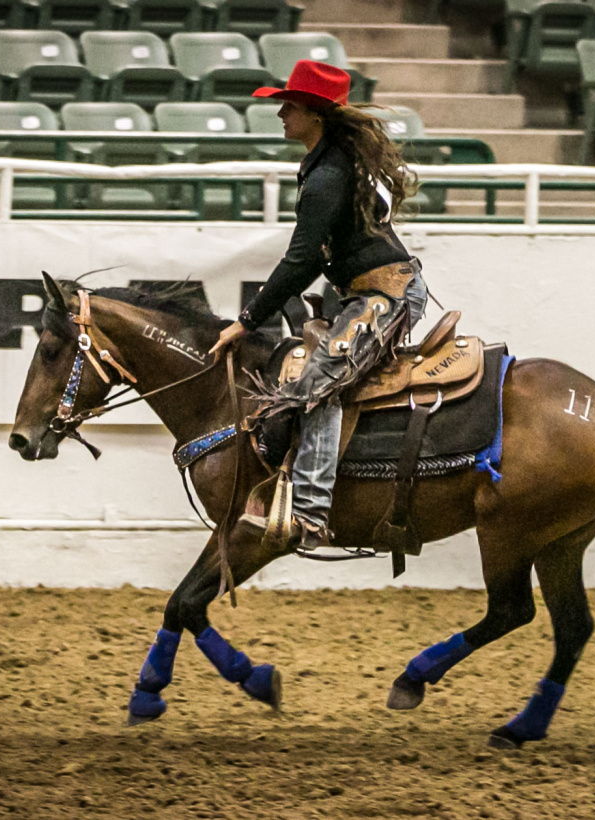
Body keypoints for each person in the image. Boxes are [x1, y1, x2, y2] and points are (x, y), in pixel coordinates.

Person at [208, 60, 427, 550]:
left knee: (318, 383)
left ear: (315, 115)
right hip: (363, 290)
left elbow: (302, 259)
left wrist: (246, 322)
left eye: (290, 105)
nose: (281, 113)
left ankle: (309, 511)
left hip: (384, 294)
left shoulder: (327, 174)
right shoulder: (326, 164)